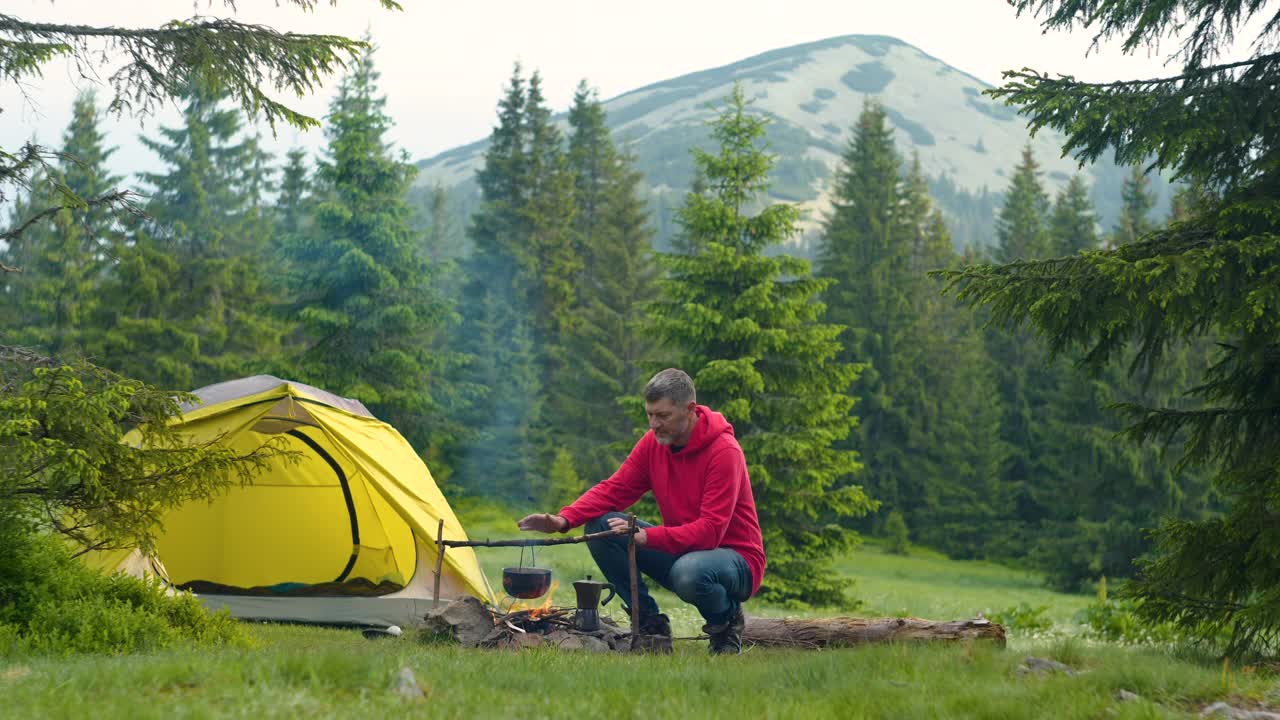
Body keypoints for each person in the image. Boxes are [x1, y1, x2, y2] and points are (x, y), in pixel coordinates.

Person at [518, 368, 765, 654]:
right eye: (649, 415)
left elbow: (710, 531)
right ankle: (650, 626)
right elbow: (614, 489)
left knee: (689, 572)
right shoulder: (654, 444)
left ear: (690, 409)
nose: (654, 424)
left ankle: (726, 624)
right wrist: (564, 519)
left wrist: (648, 537)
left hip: (736, 560)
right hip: (686, 550)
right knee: (601, 527)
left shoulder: (724, 452)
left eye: (662, 416)